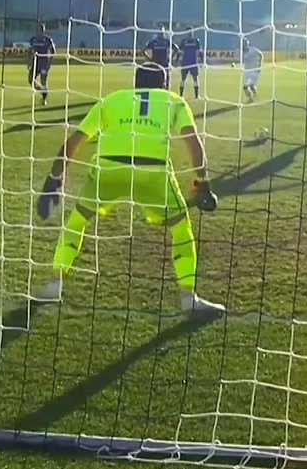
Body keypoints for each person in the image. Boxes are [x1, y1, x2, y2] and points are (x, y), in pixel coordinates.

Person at [33, 62, 224, 316]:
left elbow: (75, 140)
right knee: (181, 228)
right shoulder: (174, 101)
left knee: (77, 220)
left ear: (135, 84)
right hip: (152, 172)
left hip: (108, 169)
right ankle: (189, 297)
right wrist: (203, 185)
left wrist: (54, 179)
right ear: (164, 84)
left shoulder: (112, 100)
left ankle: (54, 284)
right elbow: (193, 144)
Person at [29, 24, 57, 105]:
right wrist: (29, 62)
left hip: (44, 63)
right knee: (30, 80)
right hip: (35, 63)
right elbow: (30, 51)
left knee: (43, 81)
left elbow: (53, 52)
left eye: (41, 30)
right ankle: (42, 90)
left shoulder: (48, 40)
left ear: (43, 31)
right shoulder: (33, 39)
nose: (39, 32)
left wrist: (49, 63)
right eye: (38, 30)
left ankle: (44, 99)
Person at [176, 32, 203, 99]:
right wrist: (202, 61)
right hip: (193, 62)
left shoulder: (183, 41)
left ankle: (181, 95)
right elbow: (199, 52)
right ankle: (196, 96)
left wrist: (176, 61)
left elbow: (179, 52)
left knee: (183, 79)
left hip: (185, 63)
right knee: (195, 79)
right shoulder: (196, 41)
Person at [240, 38, 262, 104]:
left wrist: (260, 65)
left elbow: (261, 54)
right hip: (247, 71)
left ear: (247, 43)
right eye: (243, 43)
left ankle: (251, 99)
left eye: (245, 43)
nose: (244, 44)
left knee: (246, 87)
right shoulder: (243, 52)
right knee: (252, 86)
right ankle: (255, 96)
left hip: (254, 70)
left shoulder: (253, 49)